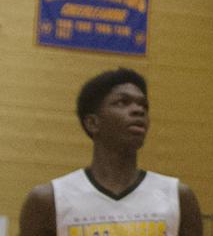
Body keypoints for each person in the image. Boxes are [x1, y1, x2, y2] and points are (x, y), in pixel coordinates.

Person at [18, 68, 203, 236]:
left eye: (143, 106)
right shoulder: (48, 200)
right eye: (123, 102)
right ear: (93, 123)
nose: (138, 110)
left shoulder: (178, 196)